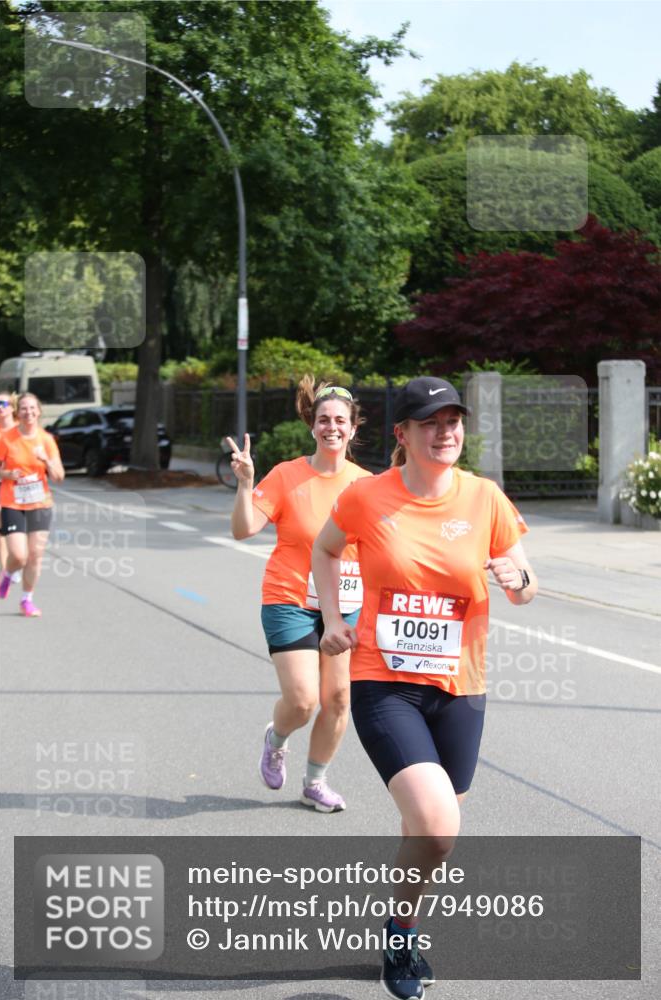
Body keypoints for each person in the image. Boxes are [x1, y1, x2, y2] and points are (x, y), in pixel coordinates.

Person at [312, 376, 537, 998]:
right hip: (385, 683)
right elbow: (326, 551)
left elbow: (525, 586)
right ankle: (403, 938)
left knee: (433, 831)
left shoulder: (484, 497)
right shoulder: (366, 496)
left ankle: (401, 917)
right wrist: (333, 620)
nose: (447, 432)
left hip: (461, 688)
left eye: (454, 421)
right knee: (438, 827)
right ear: (403, 434)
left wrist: (515, 576)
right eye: (432, 423)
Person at [227, 376, 371, 812]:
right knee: (304, 699)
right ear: (313, 426)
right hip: (289, 599)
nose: (332, 428)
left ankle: (315, 782)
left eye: (340, 421)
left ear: (353, 429)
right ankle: (276, 738)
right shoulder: (287, 475)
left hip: (344, 606)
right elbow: (243, 529)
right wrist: (244, 483)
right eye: (324, 419)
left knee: (339, 698)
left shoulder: (367, 485)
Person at [0, 392, 65, 617]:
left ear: (39, 411)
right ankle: (6, 575)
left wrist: (45, 460)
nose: (29, 412)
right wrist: (8, 473)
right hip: (12, 502)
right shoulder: (7, 439)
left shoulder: (46, 439)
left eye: (33, 408)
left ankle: (27, 600)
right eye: (24, 408)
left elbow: (59, 476)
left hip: (40, 503)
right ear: (19, 412)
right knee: (19, 555)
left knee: (35, 555)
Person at [0, 392, 21, 583]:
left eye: (3, 403)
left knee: (20, 528)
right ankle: (5, 569)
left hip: (21, 485)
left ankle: (15, 562)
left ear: (12, 407)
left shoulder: (21, 430)